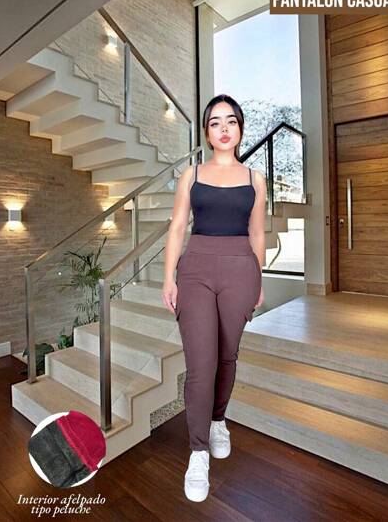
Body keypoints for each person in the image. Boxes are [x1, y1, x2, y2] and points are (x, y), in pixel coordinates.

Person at [162, 94, 265, 502]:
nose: (224, 128)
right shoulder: (191, 175)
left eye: (231, 121)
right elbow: (177, 228)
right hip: (197, 270)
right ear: (206, 132)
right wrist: (168, 278)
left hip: (241, 269)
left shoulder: (255, 178)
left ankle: (219, 419)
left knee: (227, 356)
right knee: (200, 363)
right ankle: (198, 452)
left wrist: (259, 279)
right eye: (215, 122)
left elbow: (257, 232)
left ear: (240, 129)